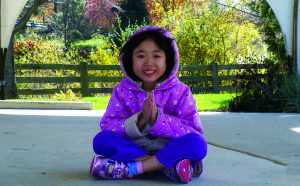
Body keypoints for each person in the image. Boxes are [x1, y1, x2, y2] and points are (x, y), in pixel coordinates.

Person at [90, 26, 207, 184]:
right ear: (129, 59)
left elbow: (193, 130)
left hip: (169, 146)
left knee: (197, 144)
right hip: (134, 147)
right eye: (141, 56)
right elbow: (108, 125)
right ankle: (166, 167)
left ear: (169, 59)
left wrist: (158, 121)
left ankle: (133, 168)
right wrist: (140, 121)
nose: (149, 63)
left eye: (157, 56)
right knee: (101, 140)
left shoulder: (181, 91)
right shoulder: (122, 91)